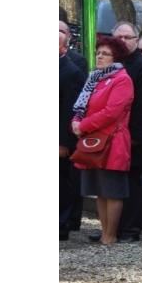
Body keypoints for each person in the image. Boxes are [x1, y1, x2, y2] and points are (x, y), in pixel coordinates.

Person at [70, 35, 134, 245]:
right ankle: (104, 232)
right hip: (93, 139)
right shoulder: (94, 78)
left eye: (105, 54)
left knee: (112, 190)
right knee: (99, 190)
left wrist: (84, 125)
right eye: (98, 52)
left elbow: (111, 112)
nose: (99, 56)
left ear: (115, 58)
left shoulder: (122, 79)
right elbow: (82, 105)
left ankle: (110, 235)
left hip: (112, 141)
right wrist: (76, 121)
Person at [111, 21, 142, 243]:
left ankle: (130, 228)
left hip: (132, 137)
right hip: (110, 135)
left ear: (135, 41)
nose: (122, 41)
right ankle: (112, 227)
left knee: (132, 181)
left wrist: (135, 137)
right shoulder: (110, 64)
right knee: (113, 182)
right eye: (118, 37)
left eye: (126, 38)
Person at [59, 31, 85, 240]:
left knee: (62, 182)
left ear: (65, 48)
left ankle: (62, 223)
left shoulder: (72, 72)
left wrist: (63, 142)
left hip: (60, 140)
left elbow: (69, 110)